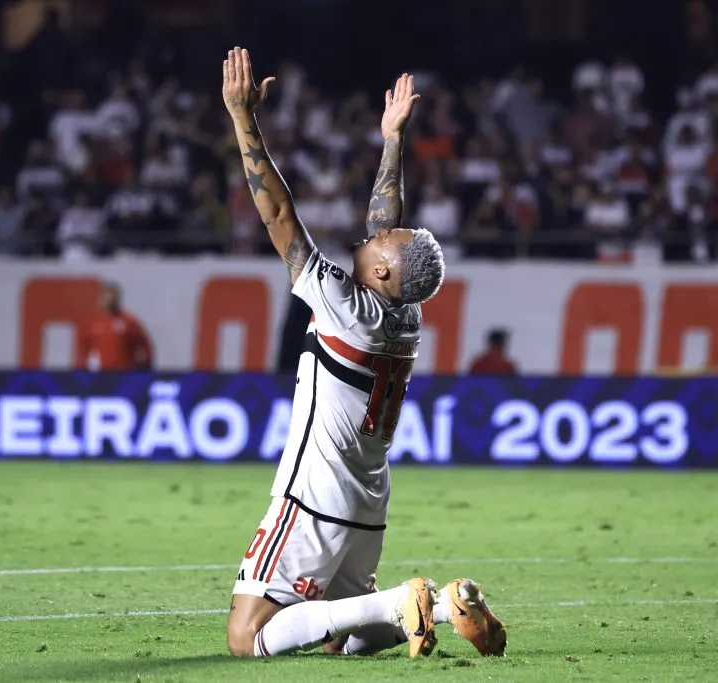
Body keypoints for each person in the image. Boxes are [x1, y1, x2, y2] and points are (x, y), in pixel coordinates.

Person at [222, 48, 506, 660]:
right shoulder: (405, 308)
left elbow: (277, 214)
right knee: (334, 643)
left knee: (247, 640)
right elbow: (389, 224)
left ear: (380, 268)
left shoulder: (345, 304)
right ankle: (433, 604)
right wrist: (392, 141)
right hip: (366, 505)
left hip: (312, 497)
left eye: (381, 238)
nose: (374, 228)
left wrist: (244, 120)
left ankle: (400, 601)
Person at [77, 282, 153, 371]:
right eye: (107, 296)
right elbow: (82, 350)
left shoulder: (128, 322)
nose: (110, 299)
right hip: (100, 375)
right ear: (101, 298)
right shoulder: (91, 323)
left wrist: (144, 367)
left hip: (124, 374)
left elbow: (144, 344)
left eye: (114, 296)